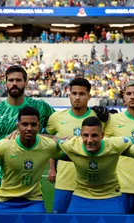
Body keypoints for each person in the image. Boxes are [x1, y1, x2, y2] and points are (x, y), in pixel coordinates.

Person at [0, 65, 55, 209]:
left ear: (25, 82)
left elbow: (58, 129)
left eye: (18, 80)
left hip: (31, 171)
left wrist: (38, 135)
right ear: (6, 83)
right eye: (11, 80)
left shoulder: (41, 107)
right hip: (2, 175)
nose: (14, 83)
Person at [0, 107, 63, 221]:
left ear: (39, 126)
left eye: (33, 124)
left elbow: (69, 157)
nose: (29, 128)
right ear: (18, 126)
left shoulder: (48, 145)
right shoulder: (3, 146)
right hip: (4, 201)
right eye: (24, 124)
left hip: (33, 202)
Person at [58, 117, 134, 214]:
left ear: (102, 135)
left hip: (110, 197)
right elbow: (51, 140)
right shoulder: (71, 144)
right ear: (81, 135)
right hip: (81, 196)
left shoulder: (115, 144)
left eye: (94, 135)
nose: (89, 140)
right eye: (85, 135)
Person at [45, 78, 108, 213]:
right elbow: (50, 144)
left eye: (82, 94)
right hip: (65, 182)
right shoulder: (56, 118)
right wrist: (52, 168)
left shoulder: (98, 118)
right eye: (74, 93)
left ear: (89, 96)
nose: (77, 97)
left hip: (91, 184)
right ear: (69, 95)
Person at [104, 80, 134, 214]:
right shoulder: (113, 120)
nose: (132, 96)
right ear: (124, 97)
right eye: (129, 93)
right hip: (120, 188)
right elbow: (105, 147)